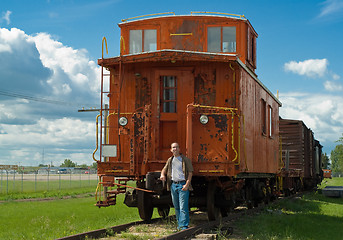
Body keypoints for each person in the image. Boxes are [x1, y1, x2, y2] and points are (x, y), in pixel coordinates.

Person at [160, 142, 193, 230]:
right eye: (173, 147)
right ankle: (179, 224)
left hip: (183, 185)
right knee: (177, 206)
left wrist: (187, 184)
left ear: (179, 149)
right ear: (171, 150)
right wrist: (162, 175)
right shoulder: (170, 160)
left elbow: (190, 173)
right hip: (173, 185)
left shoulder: (185, 160)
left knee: (183, 207)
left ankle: (184, 226)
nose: (175, 149)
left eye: (176, 147)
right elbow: (164, 169)